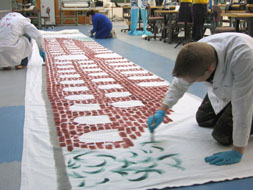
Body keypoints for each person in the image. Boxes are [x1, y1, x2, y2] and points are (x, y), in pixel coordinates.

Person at [147, 32, 253, 166]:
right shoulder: (198, 52)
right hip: (226, 87)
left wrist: (238, 151)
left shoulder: (244, 58)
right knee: (204, 119)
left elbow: (242, 107)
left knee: (222, 136)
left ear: (209, 70)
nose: (191, 82)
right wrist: (161, 111)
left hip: (248, 89)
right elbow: (180, 84)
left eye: (194, 80)